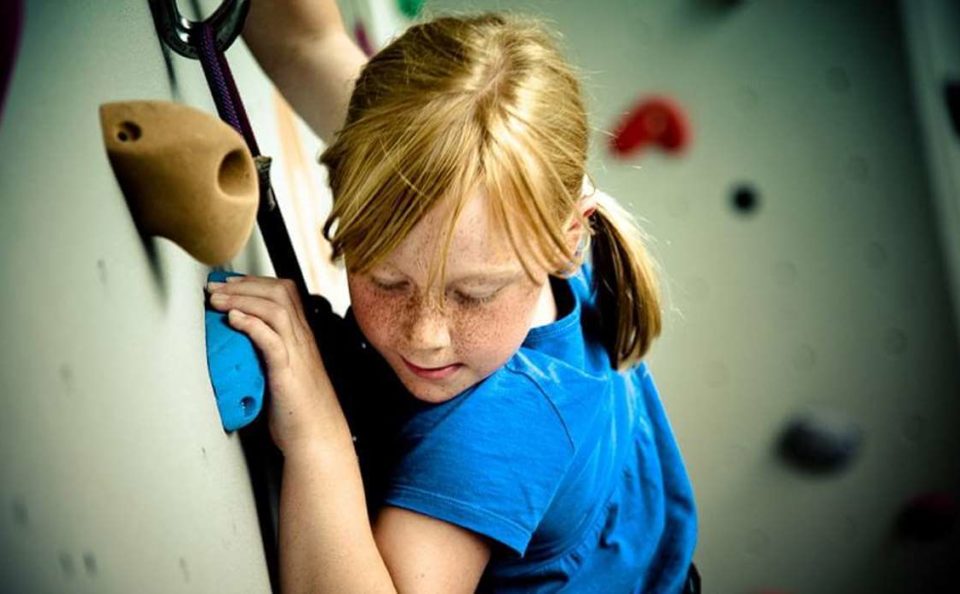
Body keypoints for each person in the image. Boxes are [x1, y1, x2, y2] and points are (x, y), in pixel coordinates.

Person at [206, 1, 698, 591]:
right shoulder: (443, 182)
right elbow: (305, 43)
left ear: (569, 235)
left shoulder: (499, 430)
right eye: (387, 281)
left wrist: (318, 435)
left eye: (474, 295)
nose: (425, 335)